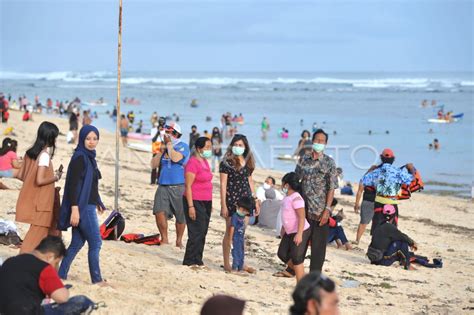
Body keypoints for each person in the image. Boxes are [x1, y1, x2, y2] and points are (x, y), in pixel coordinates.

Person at [57, 125, 108, 285]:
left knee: (77, 243)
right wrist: (74, 210)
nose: (92, 142)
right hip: (82, 207)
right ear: (82, 139)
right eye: (88, 139)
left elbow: (91, 185)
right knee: (96, 242)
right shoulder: (80, 157)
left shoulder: (89, 157)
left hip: (88, 204)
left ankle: (61, 275)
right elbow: (71, 186)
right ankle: (97, 280)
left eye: (95, 139)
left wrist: (98, 201)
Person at [0, 236, 95, 314]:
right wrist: (63, 289)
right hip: (27, 312)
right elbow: (62, 298)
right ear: (50, 257)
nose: (56, 267)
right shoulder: (44, 267)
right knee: (82, 301)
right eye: (56, 262)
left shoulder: (10, 261)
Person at [16, 122, 63, 254]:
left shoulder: (30, 153)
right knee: (34, 238)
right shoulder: (44, 156)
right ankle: (20, 265)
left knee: (39, 237)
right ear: (50, 137)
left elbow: (21, 176)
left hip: (33, 201)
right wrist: (55, 177)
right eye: (55, 137)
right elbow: (40, 180)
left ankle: (31, 266)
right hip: (42, 204)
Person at [295, 129, 338, 272]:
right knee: (298, 246)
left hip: (320, 213)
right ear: (312, 141)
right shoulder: (304, 159)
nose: (319, 143)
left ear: (326, 144)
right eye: (317, 140)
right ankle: (293, 269)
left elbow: (331, 188)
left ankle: (315, 275)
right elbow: (296, 180)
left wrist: (327, 209)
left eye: (322, 141)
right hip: (304, 212)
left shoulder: (329, 163)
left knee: (318, 250)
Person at [219, 134, 259, 273]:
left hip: (246, 202)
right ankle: (226, 263)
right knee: (229, 232)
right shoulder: (226, 162)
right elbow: (223, 184)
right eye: (235, 145)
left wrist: (256, 200)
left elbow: (250, 181)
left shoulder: (248, 161)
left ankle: (241, 263)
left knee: (241, 233)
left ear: (245, 147)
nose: (238, 147)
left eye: (241, 145)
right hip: (232, 202)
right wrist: (223, 204)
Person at [151, 122, 190, 247]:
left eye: (170, 132)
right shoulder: (164, 147)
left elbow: (176, 158)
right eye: (166, 132)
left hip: (178, 185)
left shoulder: (183, 146)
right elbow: (153, 165)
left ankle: (179, 241)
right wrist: (161, 150)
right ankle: (165, 238)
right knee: (159, 211)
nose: (167, 134)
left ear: (176, 134)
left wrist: (169, 145)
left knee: (180, 215)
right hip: (163, 184)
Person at [361, 148, 415, 235]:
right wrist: (411, 168)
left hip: (378, 202)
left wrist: (370, 170)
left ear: (381, 158)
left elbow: (364, 180)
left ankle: (375, 246)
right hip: (392, 203)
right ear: (393, 159)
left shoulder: (376, 171)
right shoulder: (398, 171)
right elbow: (412, 179)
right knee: (392, 229)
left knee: (376, 228)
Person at [183, 137, 213, 266]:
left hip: (206, 201)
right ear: (198, 148)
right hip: (194, 200)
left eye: (210, 147)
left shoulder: (205, 162)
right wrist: (190, 206)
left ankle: (198, 258)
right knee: (196, 230)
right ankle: (189, 260)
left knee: (203, 231)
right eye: (206, 147)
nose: (209, 150)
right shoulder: (192, 163)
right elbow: (188, 186)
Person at [277, 172, 311, 282]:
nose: (281, 186)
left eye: (282, 184)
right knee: (282, 253)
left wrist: (299, 234)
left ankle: (301, 284)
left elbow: (302, 217)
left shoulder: (297, 198)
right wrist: (283, 228)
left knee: (297, 258)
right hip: (289, 231)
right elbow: (286, 213)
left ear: (286, 185)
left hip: (300, 230)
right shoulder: (288, 197)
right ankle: (294, 270)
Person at [367, 205, 418, 270]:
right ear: (393, 216)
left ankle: (402, 261)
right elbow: (402, 236)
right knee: (403, 242)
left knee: (396, 241)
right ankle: (407, 265)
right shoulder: (390, 227)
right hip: (381, 261)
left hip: (373, 258)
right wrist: (412, 243)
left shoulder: (378, 225)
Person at [353, 167, 377, 245]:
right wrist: (356, 204)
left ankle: (357, 240)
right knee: (366, 223)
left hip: (368, 202)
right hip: (374, 202)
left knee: (364, 222)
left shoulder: (365, 178)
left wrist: (356, 204)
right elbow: (359, 191)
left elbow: (359, 192)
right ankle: (358, 240)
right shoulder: (379, 178)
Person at [230, 197, 254, 272]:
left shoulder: (243, 217)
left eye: (245, 211)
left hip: (241, 238)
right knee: (236, 253)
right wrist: (230, 239)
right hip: (235, 238)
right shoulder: (235, 216)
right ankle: (234, 268)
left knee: (241, 253)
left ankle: (240, 268)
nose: (243, 212)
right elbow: (232, 228)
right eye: (242, 210)